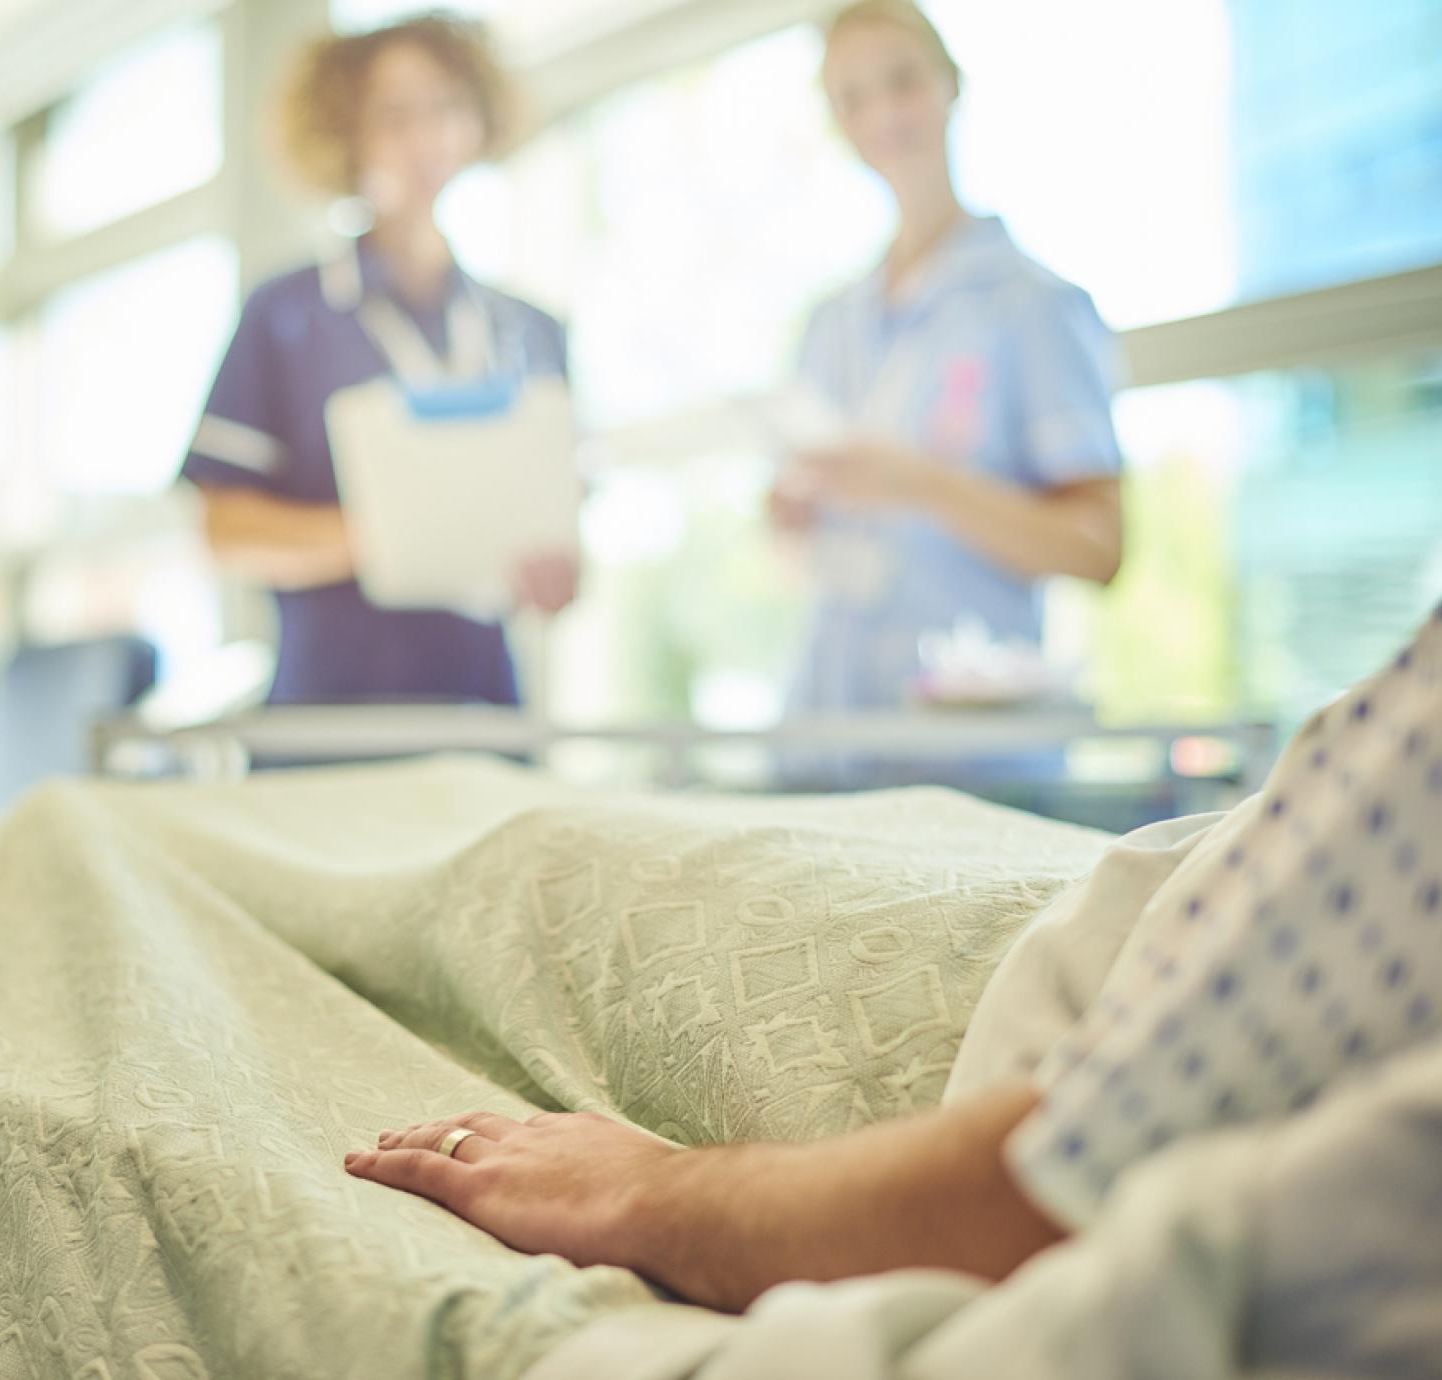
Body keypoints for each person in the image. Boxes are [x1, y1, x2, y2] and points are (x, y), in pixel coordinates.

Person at [346, 600, 1442, 1359]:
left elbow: (1037, 1189)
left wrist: (642, 1190)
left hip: (953, 954)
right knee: (553, 843)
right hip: (987, 868)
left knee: (543, 855)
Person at [181, 12, 576, 707]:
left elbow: (562, 545)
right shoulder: (287, 315)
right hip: (332, 711)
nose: (426, 138)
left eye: (447, 108)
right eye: (395, 116)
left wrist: (553, 576)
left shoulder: (530, 330)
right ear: (348, 134)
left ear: (480, 121)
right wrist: (389, 534)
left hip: (487, 712)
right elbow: (223, 530)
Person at [770, 0, 1124, 718]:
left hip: (966, 741)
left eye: (902, 81)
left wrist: (923, 485)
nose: (883, 115)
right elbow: (798, 539)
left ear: (950, 83)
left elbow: (1100, 550)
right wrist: (789, 512)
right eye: (853, 98)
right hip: (826, 726)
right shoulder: (830, 325)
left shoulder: (1032, 306)